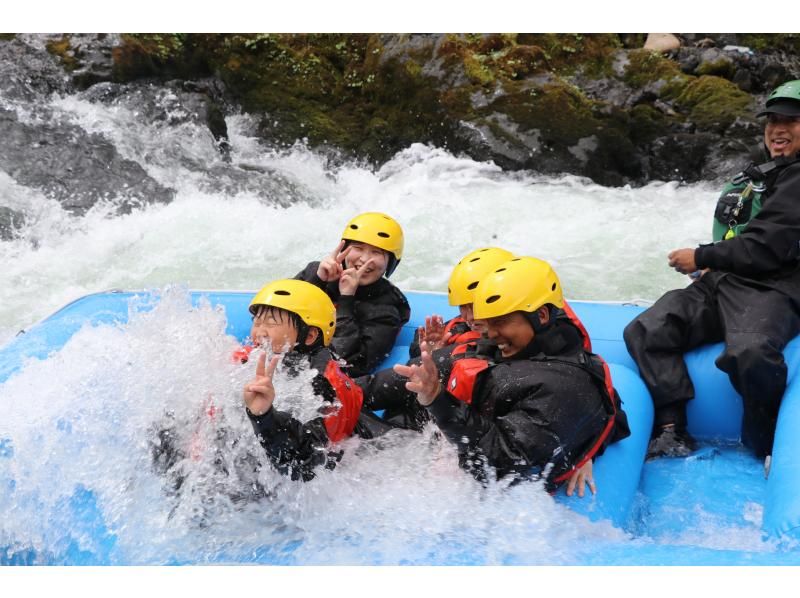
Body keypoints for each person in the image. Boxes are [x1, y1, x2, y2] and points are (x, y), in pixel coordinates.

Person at [623, 80, 800, 461]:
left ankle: (765, 446)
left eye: (791, 120)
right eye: (772, 119)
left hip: (775, 289)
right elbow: (741, 238)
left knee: (751, 352)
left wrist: (701, 257)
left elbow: (765, 247)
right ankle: (671, 428)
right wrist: (712, 266)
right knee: (648, 328)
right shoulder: (767, 173)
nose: (778, 128)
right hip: (725, 280)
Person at [393, 256, 630, 493]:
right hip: (461, 427)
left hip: (479, 451)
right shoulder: (488, 343)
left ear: (542, 315)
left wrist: (587, 452)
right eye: (484, 321)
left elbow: (499, 464)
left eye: (500, 321)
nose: (487, 331)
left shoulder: (563, 380)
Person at [243, 278, 400, 482]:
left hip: (355, 465)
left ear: (309, 336)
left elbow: (305, 465)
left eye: (271, 323)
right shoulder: (256, 357)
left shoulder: (326, 387)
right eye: (257, 322)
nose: (259, 332)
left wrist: (264, 416)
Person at [295, 212, 410, 377]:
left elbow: (349, 361)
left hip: (322, 377)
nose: (364, 259)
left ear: (390, 262)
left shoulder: (387, 310)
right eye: (358, 248)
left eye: (376, 252)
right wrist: (318, 282)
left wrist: (346, 299)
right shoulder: (316, 272)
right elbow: (278, 317)